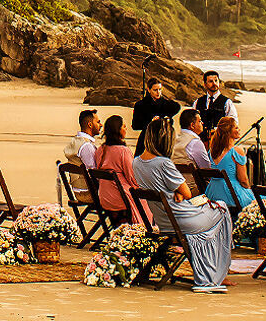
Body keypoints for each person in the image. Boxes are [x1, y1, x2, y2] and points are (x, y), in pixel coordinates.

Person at [134, 117, 235, 293]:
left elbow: (164, 188)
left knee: (214, 209)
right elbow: (187, 192)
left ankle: (213, 269)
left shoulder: (137, 162)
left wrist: (175, 193)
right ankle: (215, 271)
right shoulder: (163, 163)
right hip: (182, 219)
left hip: (164, 220)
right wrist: (179, 193)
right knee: (222, 208)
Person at [94, 115, 146, 224]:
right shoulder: (123, 151)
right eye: (124, 126)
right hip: (121, 197)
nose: (126, 129)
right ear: (117, 130)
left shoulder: (100, 150)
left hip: (104, 197)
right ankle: (146, 230)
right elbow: (132, 177)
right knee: (147, 199)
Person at [204, 116, 253, 213]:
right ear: (229, 131)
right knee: (260, 199)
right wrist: (249, 189)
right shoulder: (237, 151)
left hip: (212, 193)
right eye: (236, 127)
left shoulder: (212, 151)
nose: (239, 130)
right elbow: (243, 180)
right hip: (231, 194)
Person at [61, 109, 101, 206]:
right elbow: (93, 172)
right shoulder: (86, 146)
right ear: (90, 125)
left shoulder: (75, 141)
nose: (101, 125)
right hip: (88, 193)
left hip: (77, 191)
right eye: (98, 122)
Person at [132, 78, 181, 154]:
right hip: (147, 138)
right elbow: (136, 125)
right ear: (149, 89)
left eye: (160, 89)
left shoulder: (165, 103)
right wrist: (150, 122)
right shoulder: (140, 105)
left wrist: (163, 118)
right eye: (155, 90)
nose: (158, 92)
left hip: (162, 139)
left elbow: (177, 107)